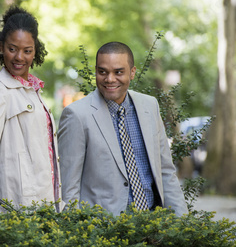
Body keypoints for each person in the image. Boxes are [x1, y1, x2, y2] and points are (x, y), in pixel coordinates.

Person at [58, 42, 188, 216]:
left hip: (154, 224)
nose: (110, 79)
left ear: (132, 72)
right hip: (104, 231)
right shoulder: (76, 115)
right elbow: (69, 188)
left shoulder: (150, 106)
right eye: (102, 72)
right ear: (95, 71)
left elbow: (165, 171)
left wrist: (182, 223)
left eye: (118, 72)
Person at [0, 5, 62, 212]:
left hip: (45, 199)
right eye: (12, 49)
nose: (19, 57)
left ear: (35, 50)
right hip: (17, 201)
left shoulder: (32, 90)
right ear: (1, 47)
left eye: (27, 51)